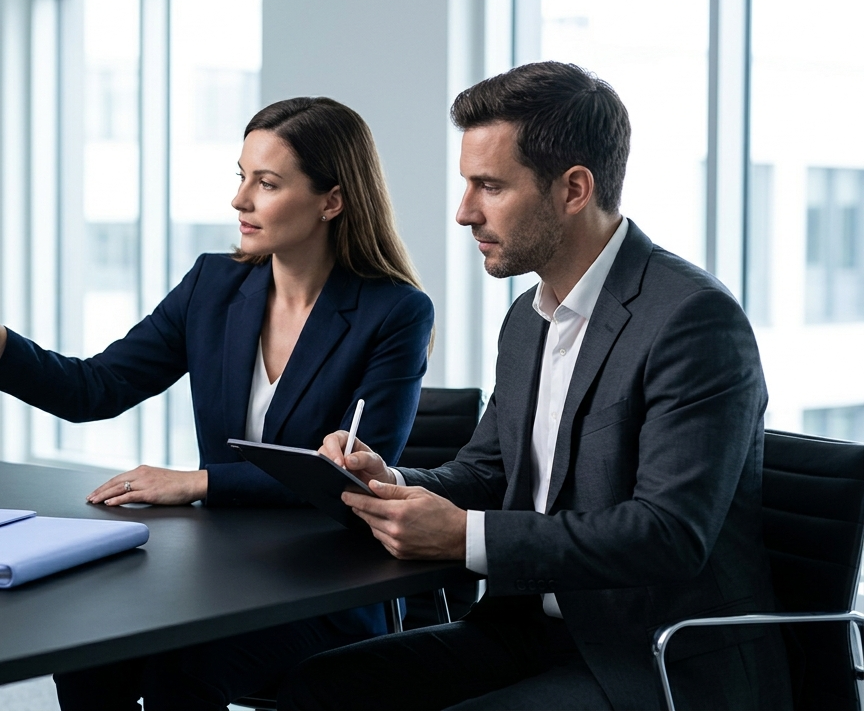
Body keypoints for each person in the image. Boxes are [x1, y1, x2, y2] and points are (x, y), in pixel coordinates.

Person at [281, 62, 791, 710]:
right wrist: (392, 481)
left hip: (653, 655)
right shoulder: (528, 318)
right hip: (529, 628)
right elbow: (487, 471)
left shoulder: (691, 320)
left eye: (489, 186)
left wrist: (467, 535)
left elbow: (668, 534)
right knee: (320, 688)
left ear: (574, 188)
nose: (465, 212)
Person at [0, 97, 435, 710]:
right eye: (241, 177)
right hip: (217, 570)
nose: (240, 200)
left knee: (179, 673)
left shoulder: (394, 312)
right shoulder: (214, 286)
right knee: (87, 647)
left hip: (325, 587)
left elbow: (350, 480)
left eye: (266, 183)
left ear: (332, 200)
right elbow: (93, 389)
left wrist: (196, 482)